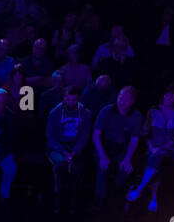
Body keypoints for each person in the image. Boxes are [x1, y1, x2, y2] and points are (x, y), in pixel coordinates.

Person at [127, 85, 174, 212]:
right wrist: (152, 147)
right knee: (156, 160)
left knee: (157, 158)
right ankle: (154, 198)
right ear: (163, 96)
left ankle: (140, 189)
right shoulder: (153, 110)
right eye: (167, 94)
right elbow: (145, 132)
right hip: (153, 148)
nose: (169, 97)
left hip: (171, 149)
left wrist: (162, 148)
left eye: (173, 95)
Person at [92, 86, 145, 208]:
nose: (122, 101)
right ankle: (99, 199)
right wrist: (103, 156)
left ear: (132, 102)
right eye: (120, 97)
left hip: (122, 148)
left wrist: (127, 158)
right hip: (105, 145)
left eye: (126, 100)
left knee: (126, 169)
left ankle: (115, 194)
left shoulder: (136, 115)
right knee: (103, 168)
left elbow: (134, 139)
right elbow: (96, 134)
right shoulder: (107, 110)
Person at [45, 86, 94, 215]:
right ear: (64, 98)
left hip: (76, 148)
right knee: (60, 166)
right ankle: (59, 202)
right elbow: (51, 137)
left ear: (78, 99)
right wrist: (64, 153)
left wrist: (73, 153)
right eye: (68, 99)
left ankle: (75, 204)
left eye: (73, 100)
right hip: (58, 148)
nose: (70, 102)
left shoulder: (85, 113)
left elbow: (84, 136)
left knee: (77, 169)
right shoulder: (54, 113)